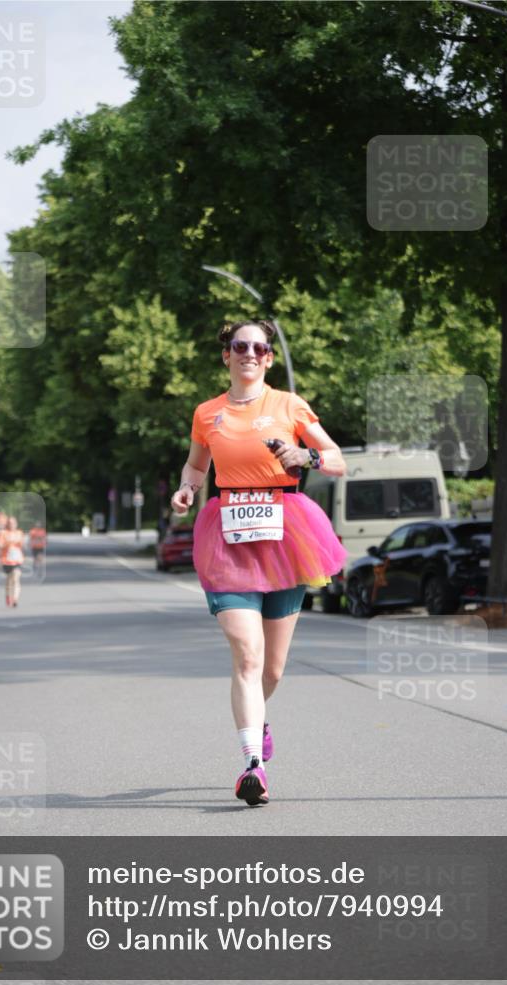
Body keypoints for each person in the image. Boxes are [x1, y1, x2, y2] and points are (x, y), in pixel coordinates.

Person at [171, 320, 348, 807]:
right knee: (246, 655)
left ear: (268, 358)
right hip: (228, 536)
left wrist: (303, 456)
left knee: (272, 669)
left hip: (287, 538)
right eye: (239, 346)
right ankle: (253, 765)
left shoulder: (288, 405)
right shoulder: (208, 413)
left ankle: (259, 718)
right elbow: (195, 464)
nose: (249, 353)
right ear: (225, 355)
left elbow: (336, 459)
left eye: (258, 347)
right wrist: (187, 487)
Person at [0, 516, 25, 607]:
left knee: (16, 579)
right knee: (9, 580)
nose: (11, 525)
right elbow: (0, 545)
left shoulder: (19, 533)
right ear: (7, 524)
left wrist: (19, 542)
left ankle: (15, 599)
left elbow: (22, 544)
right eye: (10, 523)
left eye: (13, 523)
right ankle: (7, 596)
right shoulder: (3, 533)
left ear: (16, 524)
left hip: (17, 560)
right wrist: (8, 543)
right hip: (6, 561)